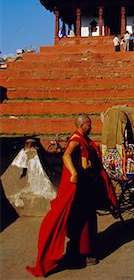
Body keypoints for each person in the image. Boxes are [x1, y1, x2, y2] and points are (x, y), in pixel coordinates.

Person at [26, 114, 117, 277]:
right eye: (89, 125)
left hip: (86, 186)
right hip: (80, 188)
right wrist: (74, 173)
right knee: (83, 220)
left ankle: (85, 251)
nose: (91, 128)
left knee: (85, 219)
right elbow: (66, 155)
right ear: (84, 125)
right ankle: (85, 253)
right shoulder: (76, 140)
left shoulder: (82, 138)